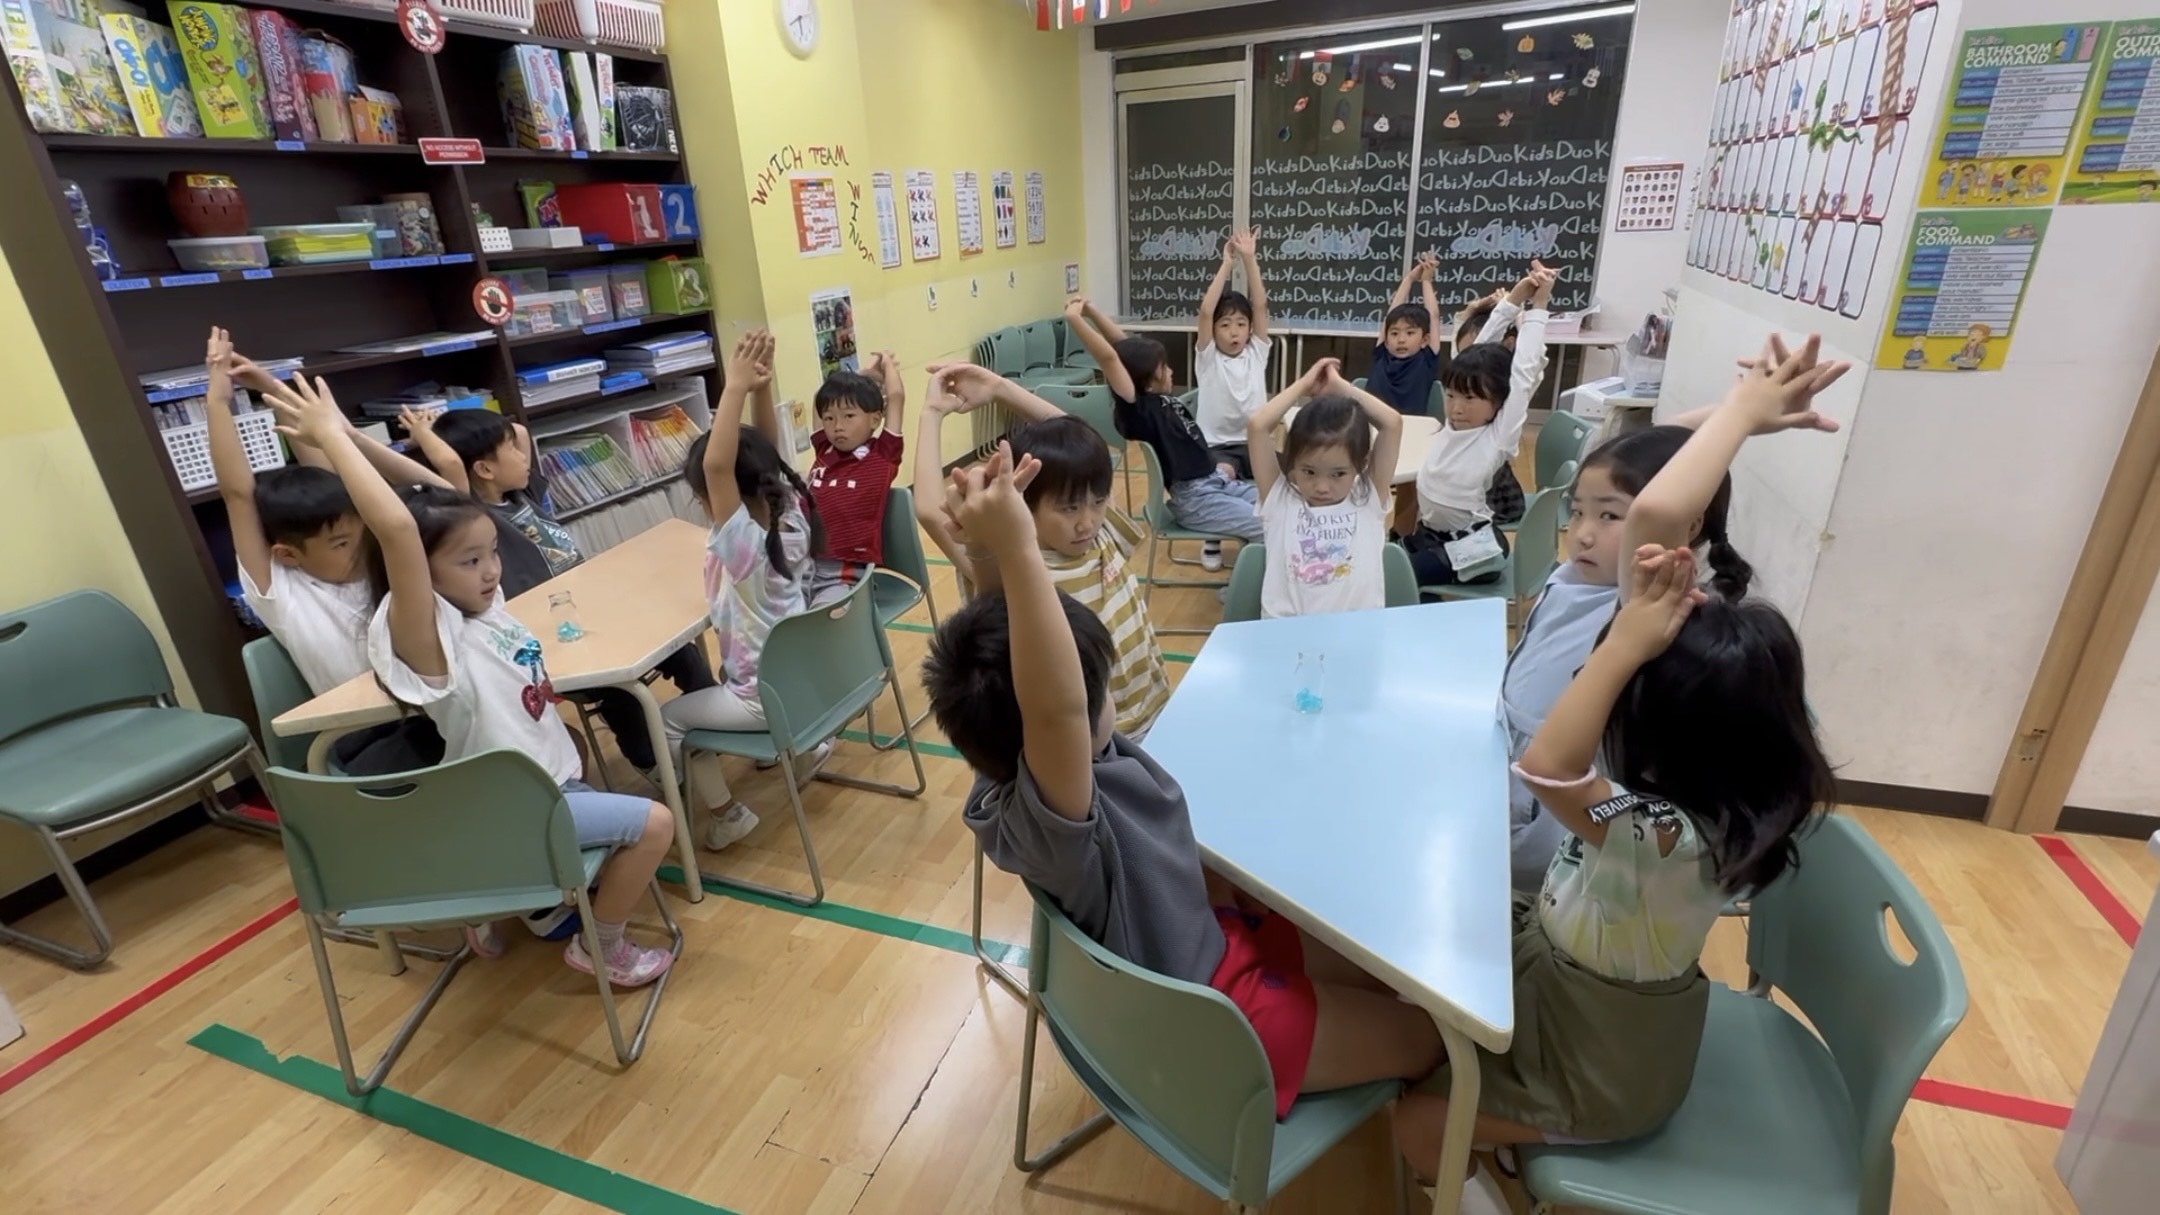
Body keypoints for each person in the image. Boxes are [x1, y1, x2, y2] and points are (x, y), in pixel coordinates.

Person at [1392, 334, 1846, 1183]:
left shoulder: (1654, 833)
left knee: (1418, 1113)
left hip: (1597, 1063)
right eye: (1584, 511)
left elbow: (1550, 772)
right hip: (1566, 975)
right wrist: (1734, 416)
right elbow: (1645, 472)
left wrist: (1625, 644)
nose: (1590, 529)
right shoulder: (1674, 815)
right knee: (1424, 1001)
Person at [921, 443, 1444, 1126]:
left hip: (1208, 935)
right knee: (1430, 1036)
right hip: (1212, 1013)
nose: (1100, 695)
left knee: (1391, 972)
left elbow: (1027, 686)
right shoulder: (1059, 809)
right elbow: (1054, 707)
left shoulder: (1005, 763)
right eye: (1094, 689)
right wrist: (1019, 549)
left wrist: (990, 554)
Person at [258, 373, 678, 986]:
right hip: (507, 806)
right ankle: (601, 947)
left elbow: (443, 491)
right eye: (471, 560)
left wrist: (349, 433)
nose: (490, 570)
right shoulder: (429, 633)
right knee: (657, 824)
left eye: (491, 554)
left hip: (540, 784)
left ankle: (515, 891)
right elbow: (399, 531)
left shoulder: (484, 602)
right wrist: (331, 440)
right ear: (419, 577)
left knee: (575, 745)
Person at [415, 408, 717, 780]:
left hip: (592, 608)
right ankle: (653, 764)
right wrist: (424, 431)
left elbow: (519, 431)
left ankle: (716, 717)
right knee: (618, 689)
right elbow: (450, 465)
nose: (523, 455)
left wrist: (492, 433)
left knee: (676, 647)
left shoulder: (523, 494)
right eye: (511, 451)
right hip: (553, 634)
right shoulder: (475, 520)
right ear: (484, 469)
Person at [206, 327, 456, 775]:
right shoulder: (282, 592)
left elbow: (325, 461)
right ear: (288, 555)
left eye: (361, 533)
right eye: (340, 543)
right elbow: (238, 495)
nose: (360, 547)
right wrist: (217, 402)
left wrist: (270, 388)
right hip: (370, 736)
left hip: (432, 709)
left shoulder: (378, 562)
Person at [917, 360, 1172, 738]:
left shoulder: (1102, 533)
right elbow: (928, 508)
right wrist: (932, 414)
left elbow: (1082, 442)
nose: (1086, 521)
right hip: (1099, 742)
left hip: (1158, 709)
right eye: (1068, 508)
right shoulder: (1013, 564)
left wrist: (1001, 388)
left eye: (1097, 502)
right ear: (1025, 502)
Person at [661, 329, 831, 852]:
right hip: (804, 683)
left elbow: (718, 465)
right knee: (715, 683)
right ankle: (805, 747)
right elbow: (766, 452)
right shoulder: (790, 515)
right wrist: (762, 386)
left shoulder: (743, 545)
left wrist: (734, 386)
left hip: (762, 698)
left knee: (667, 720)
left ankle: (726, 813)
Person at [1064, 295, 1264, 570]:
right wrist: (1074, 319)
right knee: (1267, 524)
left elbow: (1123, 347)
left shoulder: (1154, 396)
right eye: (1163, 368)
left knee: (1280, 503)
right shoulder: (1140, 409)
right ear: (1146, 381)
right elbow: (1110, 358)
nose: (1170, 372)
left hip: (1214, 481)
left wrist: (1092, 310)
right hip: (1196, 500)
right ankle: (1250, 587)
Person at [1401, 262, 1556, 588]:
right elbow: (1477, 351)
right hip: (1432, 535)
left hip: (1471, 547)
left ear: (1498, 401)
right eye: (1451, 396)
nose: (1457, 408)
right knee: (1388, 561)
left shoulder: (1497, 437)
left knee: (1394, 575)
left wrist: (1538, 306)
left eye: (1470, 399)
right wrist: (1513, 298)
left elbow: (1523, 373)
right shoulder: (1453, 425)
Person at [1243, 357, 1403, 618]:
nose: (1322, 487)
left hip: (1356, 634)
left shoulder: (1367, 498)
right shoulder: (1280, 501)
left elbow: (1392, 423)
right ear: (1293, 462)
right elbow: (1258, 426)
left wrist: (1340, 386)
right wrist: (1304, 384)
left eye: (1338, 474)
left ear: (1361, 464)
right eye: (1308, 472)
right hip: (1285, 634)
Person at [797, 351, 906, 604]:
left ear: (875, 419)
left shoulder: (882, 454)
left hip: (844, 574)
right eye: (829, 418)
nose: (837, 426)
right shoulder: (824, 450)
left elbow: (896, 398)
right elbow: (819, 399)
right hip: (802, 565)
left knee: (821, 617)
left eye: (849, 416)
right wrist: (860, 375)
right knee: (780, 617)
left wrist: (888, 365)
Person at [1193, 228, 1272, 482]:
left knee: (1290, 475)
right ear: (1214, 330)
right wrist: (1227, 263)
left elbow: (1259, 305)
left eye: (1240, 324)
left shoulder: (1256, 353)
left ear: (1250, 328)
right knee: (1223, 475)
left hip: (1256, 443)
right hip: (1217, 448)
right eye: (1225, 325)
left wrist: (1249, 259)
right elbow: (1207, 311)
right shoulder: (1208, 358)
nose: (1234, 332)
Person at [1367, 252, 1445, 415]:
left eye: (1410, 333)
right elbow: (1391, 315)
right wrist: (1408, 279)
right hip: (1372, 423)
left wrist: (1426, 281)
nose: (1401, 339)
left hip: (1411, 425)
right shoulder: (1381, 355)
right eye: (1394, 334)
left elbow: (1433, 316)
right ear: (1386, 340)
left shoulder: (1426, 359)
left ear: (1425, 340)